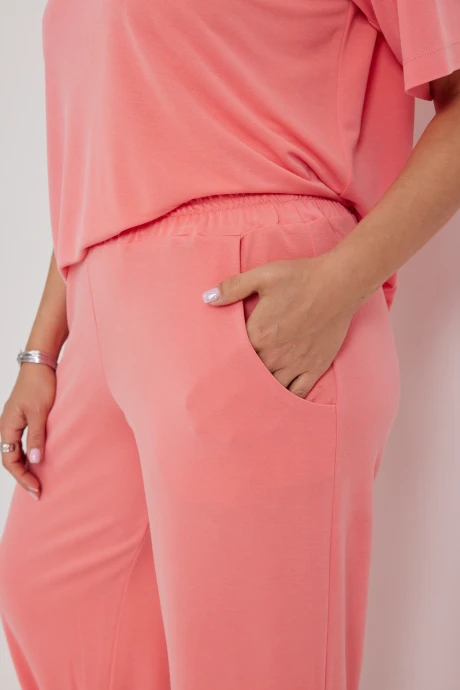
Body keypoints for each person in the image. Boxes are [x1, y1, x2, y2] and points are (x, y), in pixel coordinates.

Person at [0, 1, 459, 688]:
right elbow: (107, 152)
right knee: (54, 600)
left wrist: (339, 283)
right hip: (98, 317)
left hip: (250, 298)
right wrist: (42, 350)